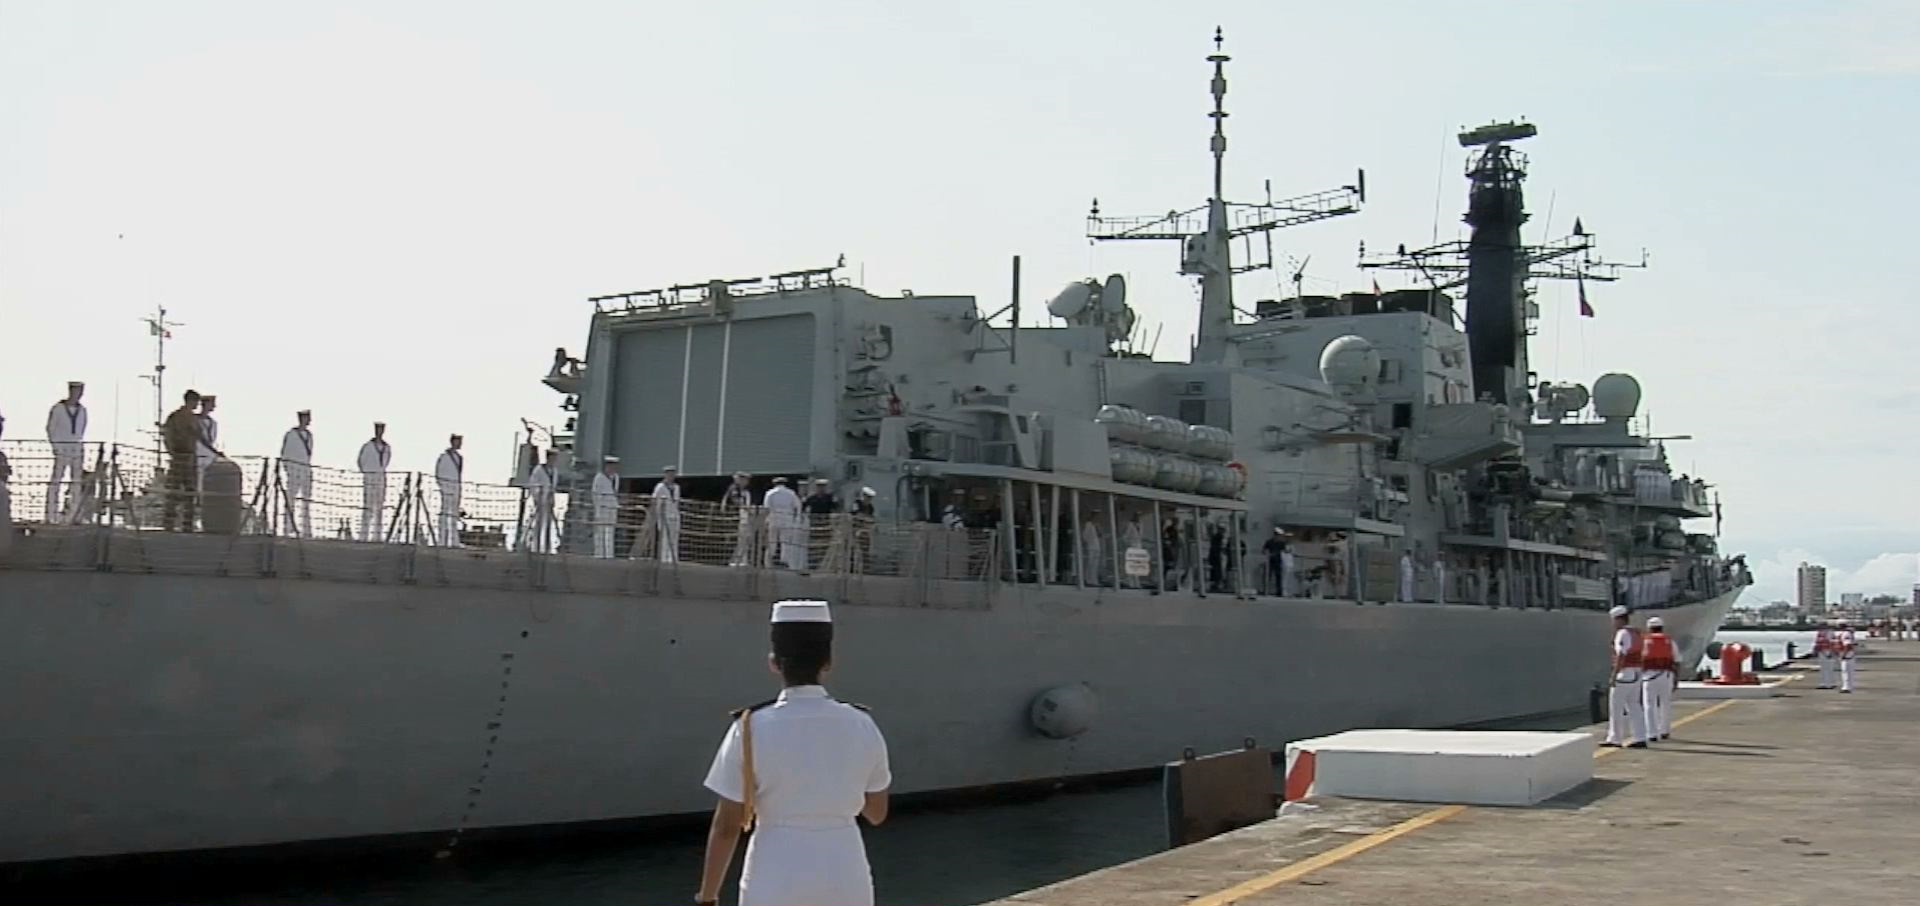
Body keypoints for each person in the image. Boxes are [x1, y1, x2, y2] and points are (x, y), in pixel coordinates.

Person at [696, 599, 891, 906]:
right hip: (844, 871)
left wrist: (708, 896)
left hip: (774, 872)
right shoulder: (862, 724)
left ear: (774, 662)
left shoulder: (749, 728)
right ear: (828, 662)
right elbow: (877, 814)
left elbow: (726, 826)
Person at [1604, 605, 1647, 748]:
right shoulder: (1637, 633)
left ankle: (1615, 738)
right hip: (1637, 672)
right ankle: (1640, 736)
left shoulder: (1621, 634)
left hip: (1625, 673)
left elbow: (1622, 654)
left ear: (1618, 619)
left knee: (1616, 706)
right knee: (1635, 705)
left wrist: (1614, 675)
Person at [44, 380, 87, 523]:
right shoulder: (58, 409)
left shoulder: (82, 410)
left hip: (76, 448)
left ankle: (74, 514)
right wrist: (56, 446)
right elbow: (51, 428)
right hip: (62, 447)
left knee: (76, 482)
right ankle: (51, 514)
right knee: (56, 481)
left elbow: (82, 429)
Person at [161, 390, 203, 532]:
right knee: (184, 491)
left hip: (183, 456)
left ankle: (173, 523)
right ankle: (183, 523)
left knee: (180, 491)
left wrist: (171, 451)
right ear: (191, 401)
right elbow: (197, 436)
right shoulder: (186, 418)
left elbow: (166, 436)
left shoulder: (176, 417)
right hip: (184, 456)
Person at [1640, 616, 1677, 741]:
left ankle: (1652, 733)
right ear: (1662, 627)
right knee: (1665, 703)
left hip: (1649, 676)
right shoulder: (1669, 641)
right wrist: (1676, 679)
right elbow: (1676, 660)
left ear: (1649, 628)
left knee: (1649, 704)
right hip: (1666, 675)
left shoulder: (1645, 641)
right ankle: (1665, 731)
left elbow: (1640, 659)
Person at [280, 409, 315, 538]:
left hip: (305, 469)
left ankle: (306, 529)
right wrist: (288, 469)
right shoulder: (291, 435)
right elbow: (285, 453)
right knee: (290, 500)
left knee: (306, 500)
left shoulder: (309, 436)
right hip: (294, 469)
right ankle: (287, 528)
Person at [356, 423, 392, 542]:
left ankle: (377, 536)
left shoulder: (387, 447)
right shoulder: (368, 446)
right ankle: (364, 535)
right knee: (368, 507)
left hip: (380, 477)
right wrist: (367, 472)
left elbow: (387, 462)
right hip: (370, 477)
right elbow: (361, 461)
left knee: (380, 507)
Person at [762, 477, 803, 570]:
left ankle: (769, 561)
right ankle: (784, 560)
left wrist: (765, 521)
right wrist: (796, 519)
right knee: (785, 541)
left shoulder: (770, 493)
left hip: (774, 518)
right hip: (787, 519)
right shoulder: (791, 493)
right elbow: (798, 506)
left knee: (772, 541)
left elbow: (766, 508)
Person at [524, 450, 556, 553]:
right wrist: (537, 496)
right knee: (537, 524)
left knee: (548, 525)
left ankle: (547, 548)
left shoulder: (554, 471)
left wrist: (552, 498)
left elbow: (553, 486)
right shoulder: (538, 470)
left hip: (548, 501)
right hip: (539, 501)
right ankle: (535, 547)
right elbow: (533, 484)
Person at [722, 471, 757, 566]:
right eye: (745, 480)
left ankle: (740, 559)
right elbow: (736, 502)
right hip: (735, 518)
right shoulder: (734, 489)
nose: (747, 482)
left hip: (742, 518)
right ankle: (735, 560)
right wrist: (748, 509)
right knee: (738, 538)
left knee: (744, 539)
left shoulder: (745, 491)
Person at [435, 434, 464, 547]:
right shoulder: (444, 457)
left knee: (454, 515)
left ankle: (454, 541)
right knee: (445, 513)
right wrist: (443, 486)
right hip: (447, 487)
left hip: (455, 486)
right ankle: (442, 540)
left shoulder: (459, 457)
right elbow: (438, 472)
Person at [592, 456, 621, 558]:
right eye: (611, 466)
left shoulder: (616, 478)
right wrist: (598, 510)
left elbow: (615, 493)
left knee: (610, 532)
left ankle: (609, 555)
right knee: (600, 532)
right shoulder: (599, 477)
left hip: (612, 508)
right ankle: (599, 555)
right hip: (602, 507)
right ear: (607, 466)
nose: (613, 469)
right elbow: (595, 495)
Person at [652, 466, 682, 563]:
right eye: (669, 474)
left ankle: (673, 559)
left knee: (674, 539)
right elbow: (654, 501)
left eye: (673, 474)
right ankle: (664, 560)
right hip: (664, 515)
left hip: (674, 516)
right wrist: (657, 516)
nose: (671, 476)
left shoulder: (677, 487)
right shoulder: (660, 487)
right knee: (665, 539)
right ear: (665, 475)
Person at [194, 394, 220, 490]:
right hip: (197, 449)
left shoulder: (213, 423)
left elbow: (211, 439)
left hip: (207, 451)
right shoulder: (195, 420)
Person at [1837, 623, 1858, 693]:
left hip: (1847, 655)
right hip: (1851, 654)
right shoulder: (1849, 634)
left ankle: (1846, 687)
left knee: (1845, 672)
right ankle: (1850, 686)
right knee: (1850, 672)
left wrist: (1844, 654)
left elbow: (1847, 645)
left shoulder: (1845, 634)